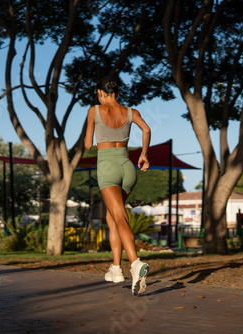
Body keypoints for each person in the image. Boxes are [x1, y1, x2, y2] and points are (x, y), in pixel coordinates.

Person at [84, 77, 151, 297]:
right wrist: (143, 154)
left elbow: (87, 144)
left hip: (107, 167)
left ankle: (135, 263)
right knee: (113, 217)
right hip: (128, 168)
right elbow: (146, 130)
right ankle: (116, 269)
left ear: (99, 93)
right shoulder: (131, 112)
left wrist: (93, 131)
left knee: (119, 217)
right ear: (117, 94)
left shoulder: (94, 110)